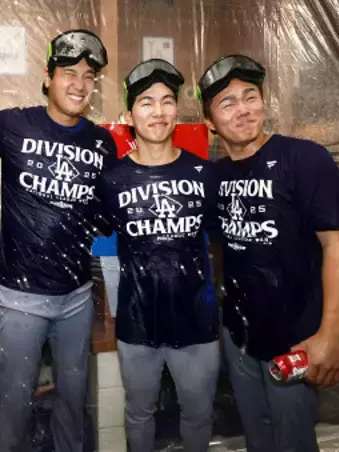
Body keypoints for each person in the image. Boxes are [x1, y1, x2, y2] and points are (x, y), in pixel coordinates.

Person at [197, 54, 339, 452]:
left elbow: (338, 246)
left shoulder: (304, 159)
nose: (243, 110)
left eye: (250, 97)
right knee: (258, 438)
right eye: (227, 103)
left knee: (293, 441)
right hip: (239, 338)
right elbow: (224, 249)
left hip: (295, 340)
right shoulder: (216, 176)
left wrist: (332, 334)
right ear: (209, 122)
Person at [0, 29, 116, 452]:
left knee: (73, 401)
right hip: (19, 298)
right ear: (47, 77)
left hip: (76, 297)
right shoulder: (10, 124)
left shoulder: (101, 142)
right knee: (15, 403)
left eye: (89, 76)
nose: (80, 84)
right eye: (69, 73)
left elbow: (106, 216)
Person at [96, 59, 220, 452]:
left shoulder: (205, 174)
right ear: (129, 115)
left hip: (197, 322)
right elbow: (99, 244)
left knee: (198, 414)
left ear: (177, 112)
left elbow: (221, 243)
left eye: (167, 101)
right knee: (139, 413)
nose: (158, 111)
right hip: (137, 323)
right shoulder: (111, 180)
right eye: (146, 102)